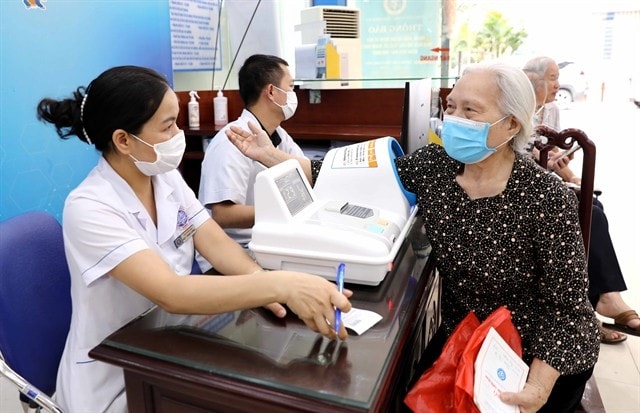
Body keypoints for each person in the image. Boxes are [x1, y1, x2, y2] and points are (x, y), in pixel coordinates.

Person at [225, 62, 601, 413]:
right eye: (451, 106)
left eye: (470, 111)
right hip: (466, 336)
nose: (454, 120)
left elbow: (567, 310)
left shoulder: (546, 199)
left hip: (538, 354)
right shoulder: (436, 167)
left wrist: (536, 387)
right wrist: (268, 154)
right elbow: (332, 175)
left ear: (511, 126)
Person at [36, 65, 352, 413]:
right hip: (115, 376)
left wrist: (266, 283)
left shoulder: (165, 178)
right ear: (124, 140)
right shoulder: (89, 207)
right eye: (168, 125)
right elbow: (171, 292)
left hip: (167, 343)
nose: (179, 134)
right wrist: (283, 285)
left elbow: (213, 241)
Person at [524, 56, 640, 342]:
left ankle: (597, 302)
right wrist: (551, 167)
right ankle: (596, 305)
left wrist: (569, 174)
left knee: (594, 207)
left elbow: (549, 155)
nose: (557, 84)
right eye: (551, 78)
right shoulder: (516, 112)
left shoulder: (549, 111)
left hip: (544, 181)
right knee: (592, 215)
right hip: (529, 189)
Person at [198, 54, 306, 255]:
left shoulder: (279, 135)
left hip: (272, 238)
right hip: (236, 249)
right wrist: (280, 212)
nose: (293, 93)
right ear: (272, 92)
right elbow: (223, 215)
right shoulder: (231, 141)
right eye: (290, 87)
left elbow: (305, 178)